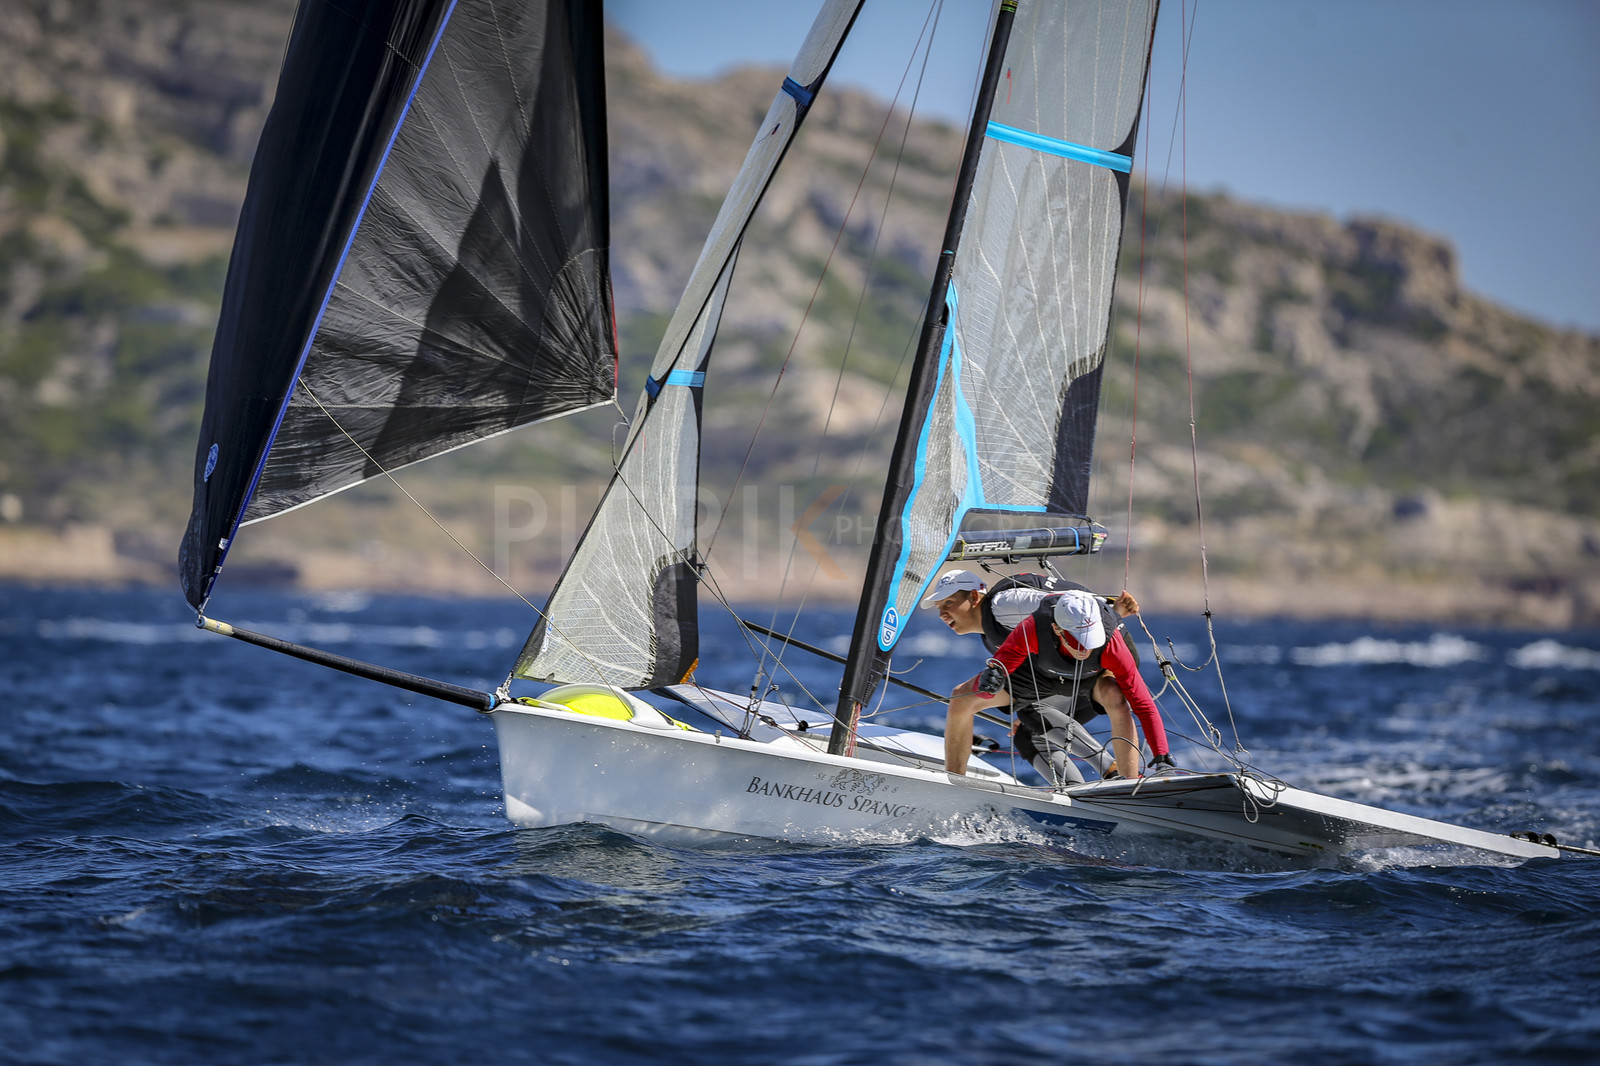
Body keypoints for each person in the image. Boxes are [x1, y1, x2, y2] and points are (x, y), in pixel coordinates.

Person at [922, 569, 1148, 781]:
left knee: (996, 704)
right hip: (1067, 673)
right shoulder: (992, 633)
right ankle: (1076, 798)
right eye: (939, 607)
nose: (942, 613)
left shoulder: (1001, 606)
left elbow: (1068, 604)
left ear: (973, 596)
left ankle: (1118, 773)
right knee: (1025, 733)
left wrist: (1112, 609)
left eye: (948, 603)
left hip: (1101, 662)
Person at [976, 588, 1173, 783]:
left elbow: (1144, 705)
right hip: (1056, 683)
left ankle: (1129, 779)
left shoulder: (1112, 646)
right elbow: (995, 677)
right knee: (1026, 726)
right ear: (1057, 629)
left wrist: (1162, 756)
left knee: (1116, 696)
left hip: (1095, 682)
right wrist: (990, 684)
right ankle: (1076, 795)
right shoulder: (1033, 628)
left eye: (1089, 639)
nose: (1085, 648)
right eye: (1078, 641)